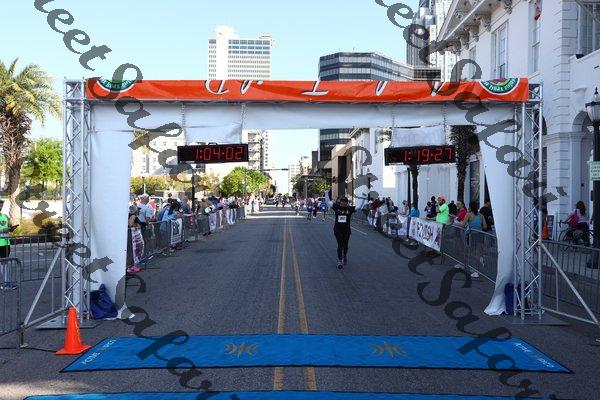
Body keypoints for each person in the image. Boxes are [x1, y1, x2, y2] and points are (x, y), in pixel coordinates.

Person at [331, 197, 356, 269]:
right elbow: (328, 202)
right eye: (342, 201)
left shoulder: (349, 208)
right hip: (337, 229)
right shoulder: (336, 207)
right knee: (340, 244)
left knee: (345, 246)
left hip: (346, 230)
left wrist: (363, 198)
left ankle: (344, 255)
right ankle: (340, 261)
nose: (343, 202)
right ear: (340, 202)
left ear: (347, 202)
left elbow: (359, 206)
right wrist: (326, 193)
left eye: (345, 201)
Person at [0, 199, 18, 290]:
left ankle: (6, 282)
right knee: (3, 264)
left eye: (1, 205)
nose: (0, 207)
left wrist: (11, 228)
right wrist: (3, 230)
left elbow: (8, 227)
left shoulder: (5, 216)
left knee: (4, 263)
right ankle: (5, 283)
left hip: (6, 243)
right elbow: (3, 229)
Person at [128, 205, 144, 273]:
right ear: (135, 211)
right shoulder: (133, 215)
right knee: (133, 251)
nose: (139, 211)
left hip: (133, 236)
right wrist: (136, 225)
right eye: (138, 210)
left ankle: (132, 266)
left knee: (134, 251)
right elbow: (130, 224)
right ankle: (131, 267)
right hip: (133, 237)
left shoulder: (131, 215)